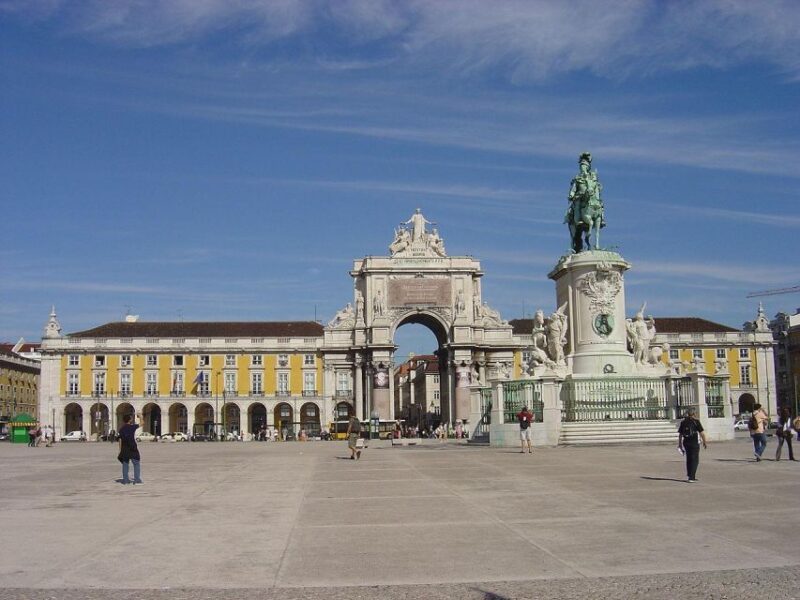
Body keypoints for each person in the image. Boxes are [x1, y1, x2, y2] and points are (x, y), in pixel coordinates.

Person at [677, 408, 707, 482]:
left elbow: (680, 434)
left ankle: (690, 475)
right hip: (694, 443)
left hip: (686, 442)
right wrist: (704, 442)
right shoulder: (696, 422)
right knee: (695, 460)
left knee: (689, 459)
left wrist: (680, 444)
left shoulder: (683, 422)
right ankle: (691, 477)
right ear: (694, 414)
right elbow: (702, 433)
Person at [117, 413, 143, 484]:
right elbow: (142, 423)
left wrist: (120, 450)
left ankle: (125, 480)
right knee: (136, 463)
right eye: (131, 418)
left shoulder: (121, 429)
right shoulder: (132, 427)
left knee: (125, 464)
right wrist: (140, 416)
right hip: (132, 447)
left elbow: (120, 440)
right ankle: (137, 479)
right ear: (130, 420)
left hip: (124, 448)